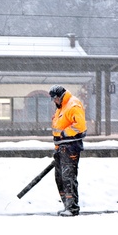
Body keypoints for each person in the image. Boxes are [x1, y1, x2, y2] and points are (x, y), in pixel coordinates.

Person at [49, 85, 87, 216]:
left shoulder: (73, 105)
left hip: (70, 147)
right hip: (61, 148)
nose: (54, 101)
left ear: (60, 97)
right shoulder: (62, 108)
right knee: (60, 178)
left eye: (54, 99)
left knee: (68, 178)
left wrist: (65, 134)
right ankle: (67, 205)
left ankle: (72, 208)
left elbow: (80, 126)